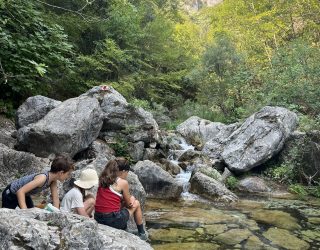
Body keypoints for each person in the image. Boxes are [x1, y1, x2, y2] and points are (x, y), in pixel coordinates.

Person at [94, 158, 148, 240]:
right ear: (123, 171)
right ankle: (142, 234)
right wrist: (132, 198)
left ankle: (124, 229)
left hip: (98, 218)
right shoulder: (123, 182)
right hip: (112, 220)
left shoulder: (102, 179)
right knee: (136, 203)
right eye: (127, 173)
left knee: (121, 202)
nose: (127, 175)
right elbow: (129, 204)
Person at [2, 154, 74, 209]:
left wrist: (57, 213)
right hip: (11, 193)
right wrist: (25, 212)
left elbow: (55, 198)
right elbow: (20, 192)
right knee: (8, 216)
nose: (68, 176)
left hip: (25, 194)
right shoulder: (42, 178)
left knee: (32, 212)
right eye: (68, 174)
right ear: (61, 173)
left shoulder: (53, 181)